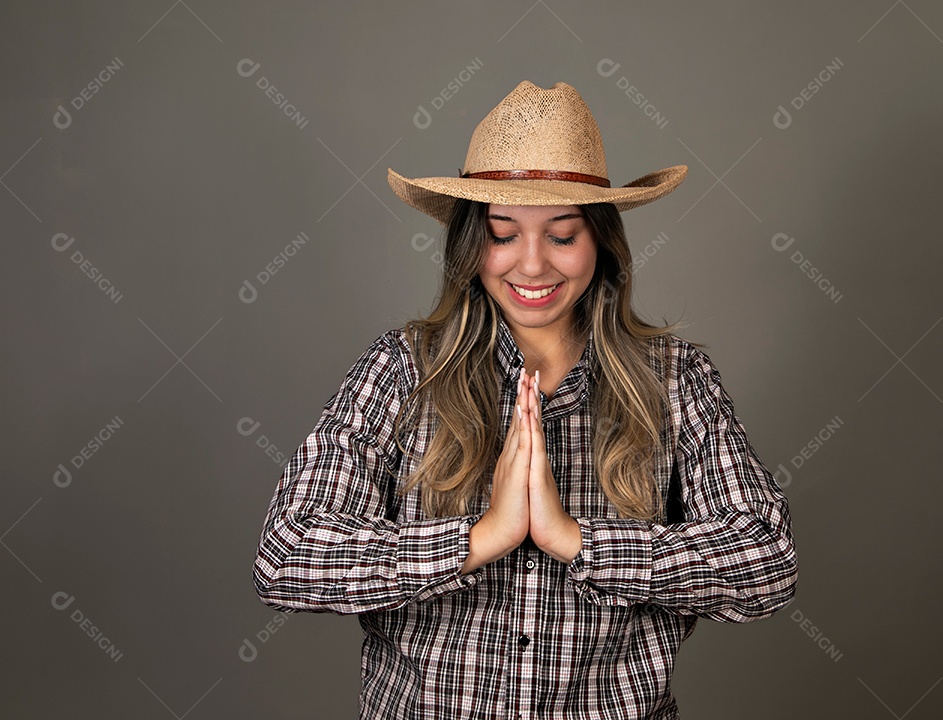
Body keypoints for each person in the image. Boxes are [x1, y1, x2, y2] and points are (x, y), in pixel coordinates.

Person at [252, 80, 797, 719]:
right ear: (467, 245)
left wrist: (579, 543)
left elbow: (768, 561)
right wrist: (477, 540)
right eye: (502, 234)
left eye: (562, 236)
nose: (531, 265)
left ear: (602, 243)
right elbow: (286, 557)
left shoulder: (676, 379)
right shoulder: (404, 370)